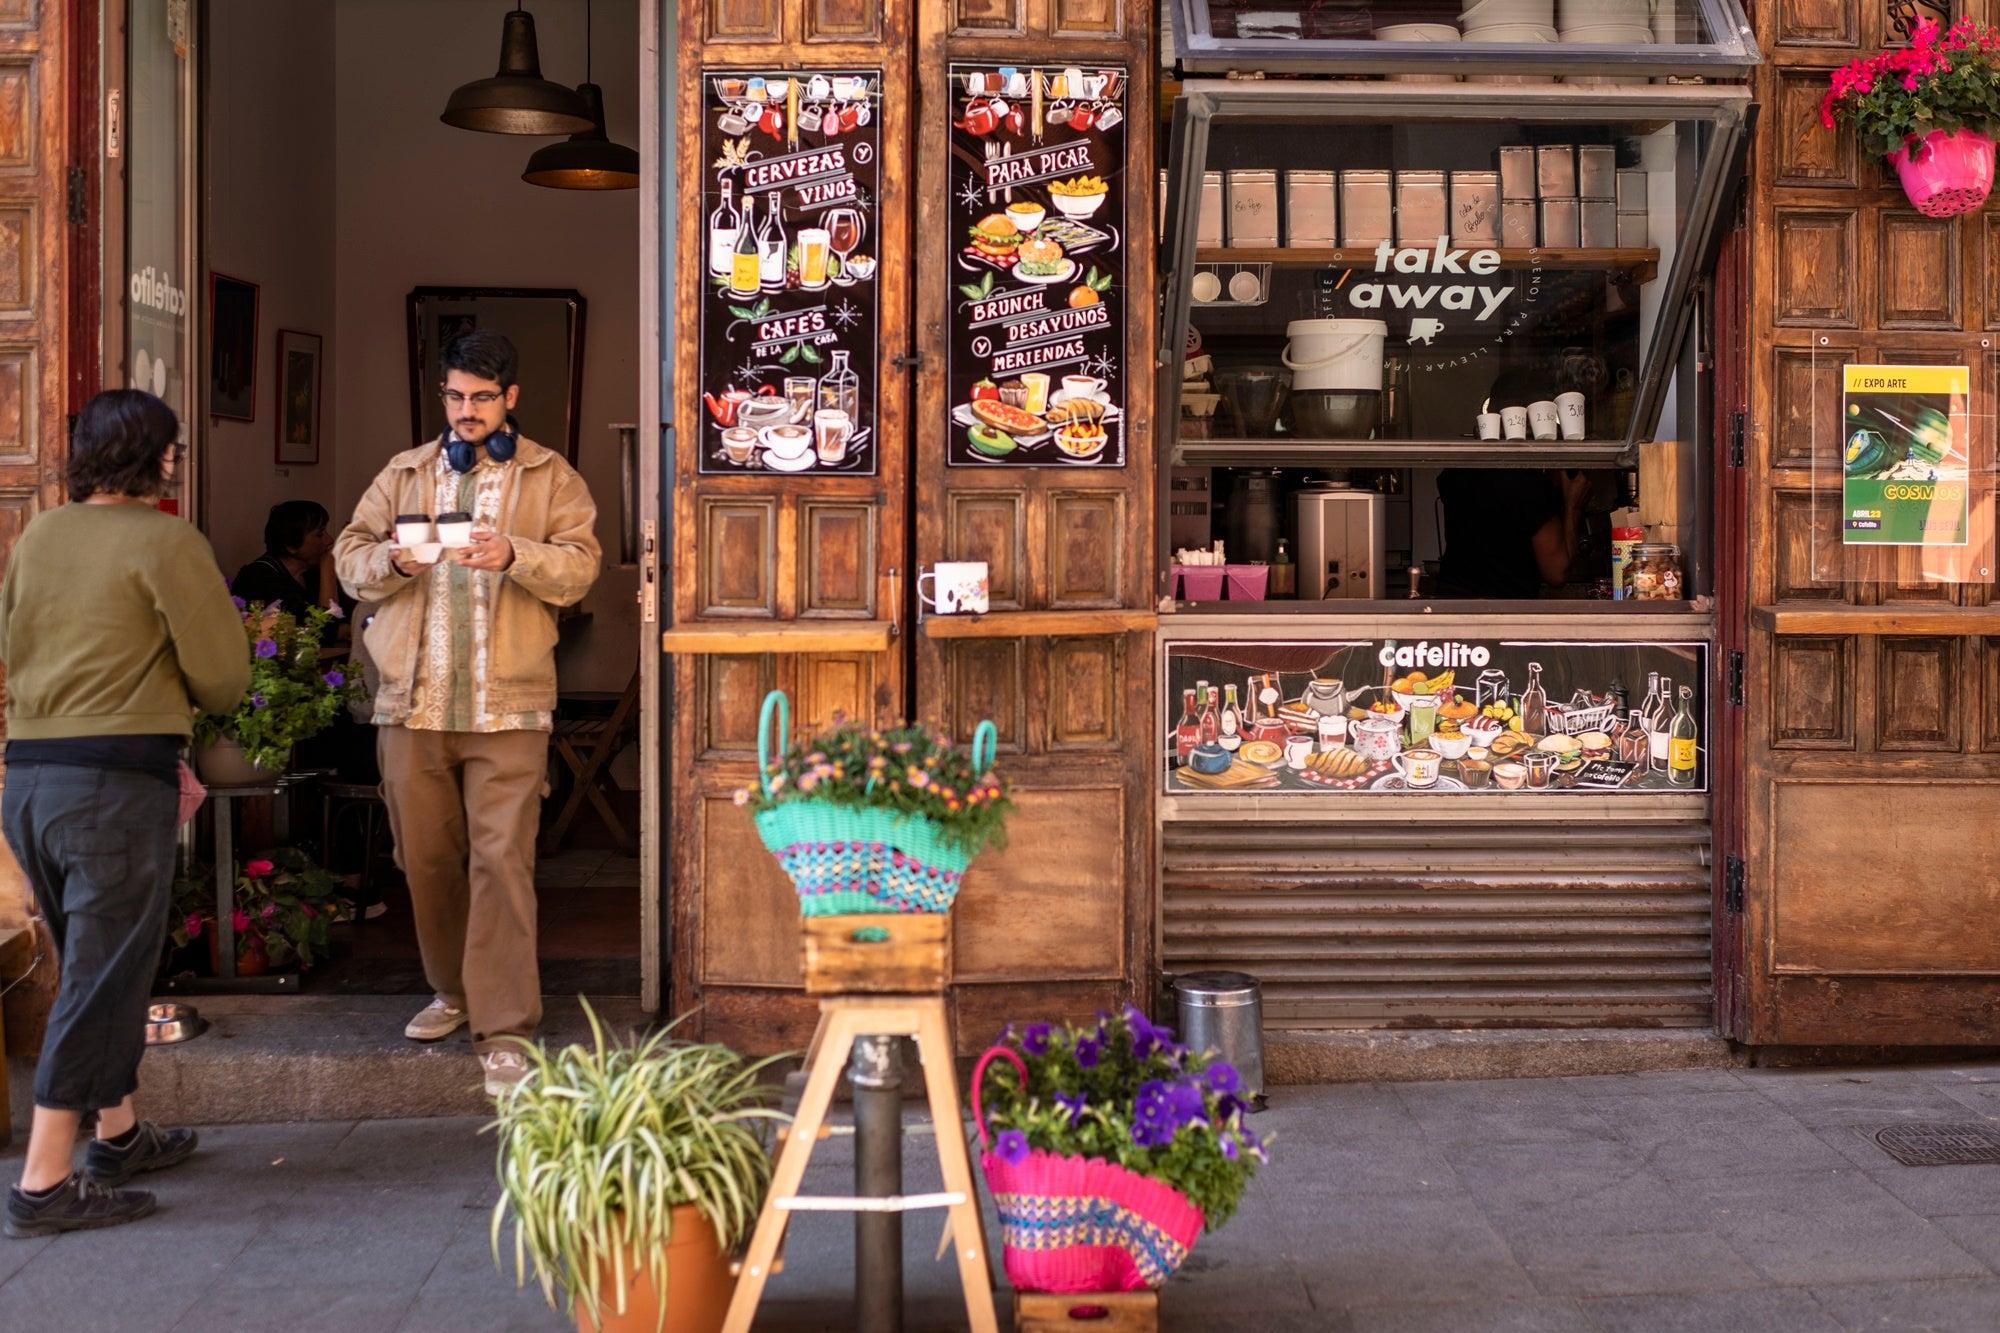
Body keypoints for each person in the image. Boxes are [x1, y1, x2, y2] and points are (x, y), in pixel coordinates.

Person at [0, 389, 250, 1237]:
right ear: (159, 457)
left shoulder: (40, 534)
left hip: (30, 777)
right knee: (102, 980)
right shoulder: (165, 539)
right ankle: (42, 1183)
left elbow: (12, 644)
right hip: (113, 783)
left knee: (90, 964)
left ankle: (118, 1134)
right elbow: (224, 677)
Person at [333, 330, 600, 1097]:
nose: (467, 409)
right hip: (411, 704)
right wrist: (391, 560)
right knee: (424, 862)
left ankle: (505, 1025)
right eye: (456, 396)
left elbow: (581, 568)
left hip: (507, 704)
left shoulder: (552, 477)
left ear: (511, 397)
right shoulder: (403, 471)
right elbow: (350, 557)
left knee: (503, 864)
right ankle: (454, 991)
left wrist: (516, 554)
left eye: (483, 397)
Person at [1436, 467, 1591, 599]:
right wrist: (1573, 507)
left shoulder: (1458, 472)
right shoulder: (1530, 485)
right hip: (1501, 611)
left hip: (1450, 601)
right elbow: (1558, 573)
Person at [230, 500, 339, 618]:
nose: (329, 540)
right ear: (291, 546)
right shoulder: (258, 578)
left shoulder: (311, 572)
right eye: (320, 535)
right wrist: (328, 569)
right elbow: (323, 627)